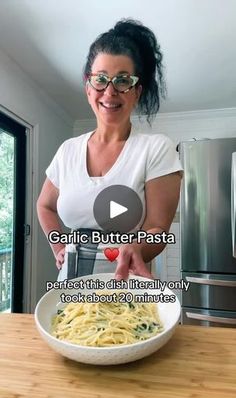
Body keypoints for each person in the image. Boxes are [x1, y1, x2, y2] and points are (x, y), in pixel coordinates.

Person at [37, 19, 182, 281]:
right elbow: (45, 205)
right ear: (88, 87)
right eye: (101, 79)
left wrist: (137, 245)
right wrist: (57, 247)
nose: (110, 91)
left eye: (123, 80)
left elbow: (157, 228)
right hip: (69, 289)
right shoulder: (67, 151)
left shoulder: (156, 149)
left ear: (137, 91)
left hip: (126, 285)